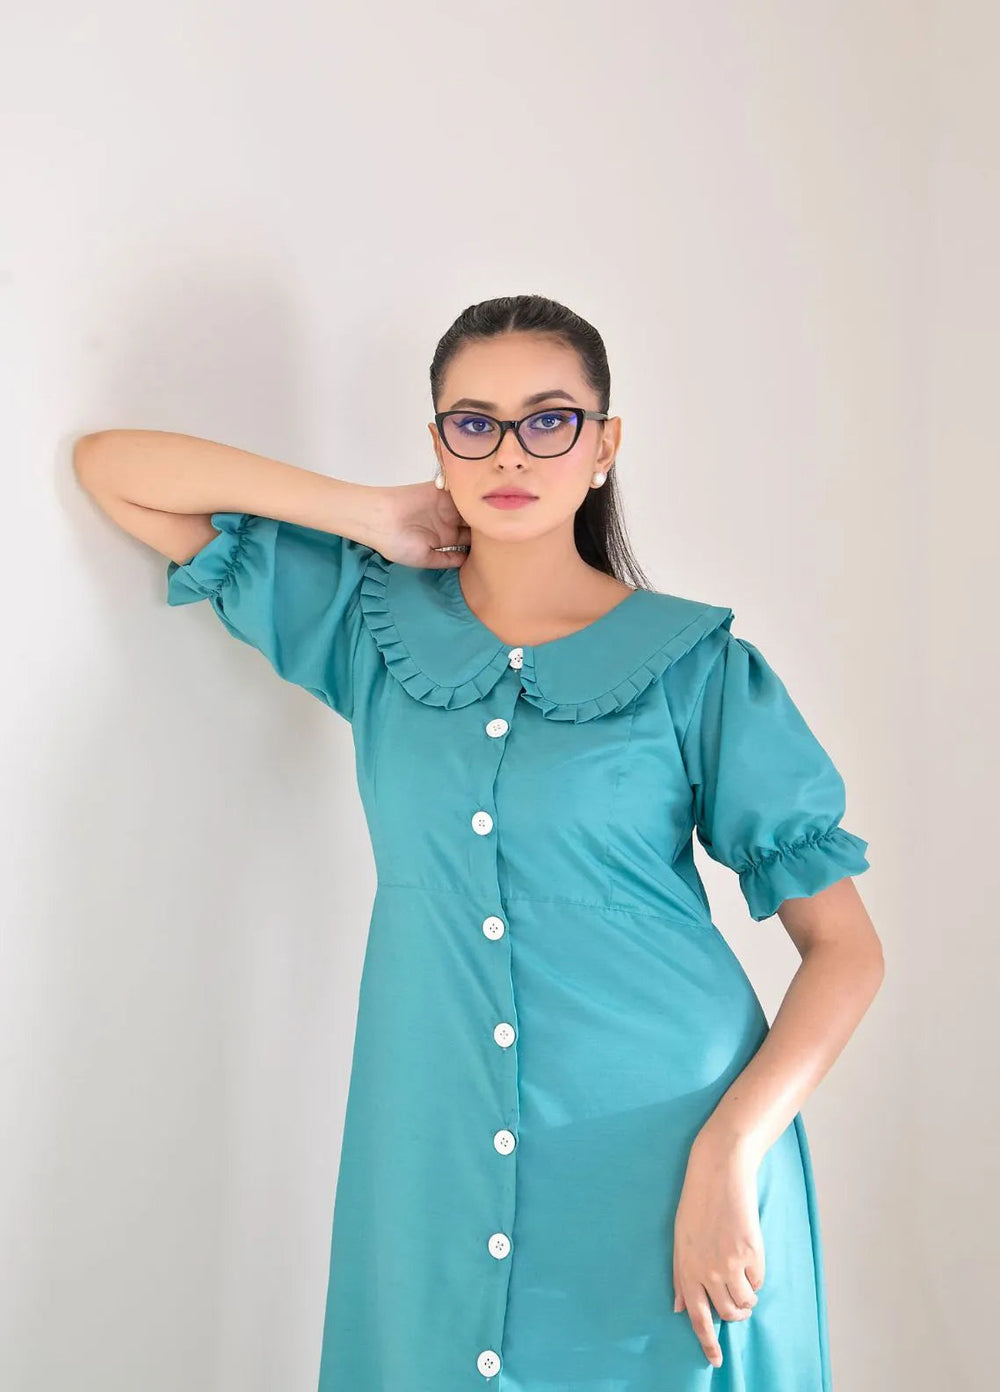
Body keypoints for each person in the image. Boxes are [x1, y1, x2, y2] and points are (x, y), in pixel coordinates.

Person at [73, 293, 884, 1390]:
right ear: (438, 443)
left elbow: (846, 949)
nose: (510, 451)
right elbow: (115, 469)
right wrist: (368, 513)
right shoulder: (373, 626)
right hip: (434, 1133)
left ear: (604, 445)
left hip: (669, 1143)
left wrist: (731, 1148)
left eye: (549, 420)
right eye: (474, 423)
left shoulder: (695, 665)